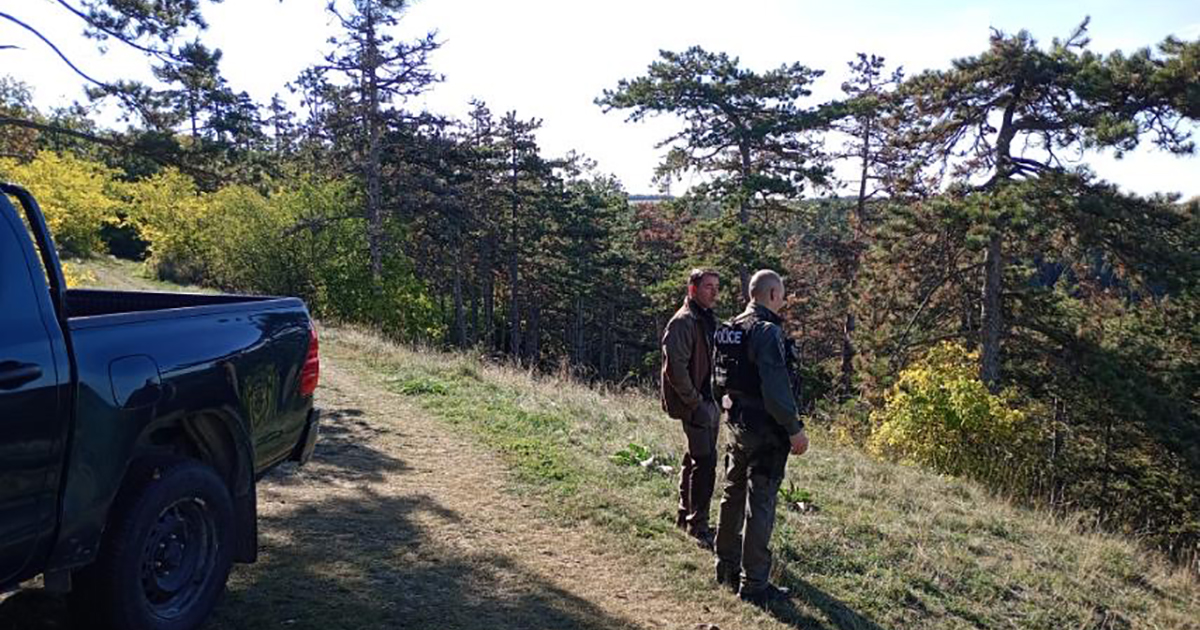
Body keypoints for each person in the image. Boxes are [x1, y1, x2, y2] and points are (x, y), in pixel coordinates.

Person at [711, 269, 809, 607]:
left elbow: (717, 381)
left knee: (732, 493)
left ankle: (725, 566)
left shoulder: (728, 329)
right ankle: (754, 584)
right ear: (770, 295)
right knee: (761, 503)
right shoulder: (767, 332)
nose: (782, 301)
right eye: (781, 295)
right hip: (766, 429)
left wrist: (726, 412)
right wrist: (794, 428)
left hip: (736, 422)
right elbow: (776, 387)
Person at [660, 268, 721, 549]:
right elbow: (675, 369)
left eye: (716, 287)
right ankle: (698, 525)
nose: (714, 292)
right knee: (705, 463)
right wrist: (696, 402)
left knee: (695, 459)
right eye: (708, 286)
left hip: (706, 401)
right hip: (695, 404)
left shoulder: (704, 319)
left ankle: (685, 516)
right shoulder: (683, 322)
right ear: (692, 289)